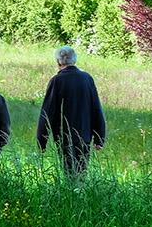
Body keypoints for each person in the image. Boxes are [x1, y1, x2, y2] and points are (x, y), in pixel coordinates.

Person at [36, 45, 106, 175]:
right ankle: (79, 194)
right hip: (85, 135)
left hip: (64, 136)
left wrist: (42, 140)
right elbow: (96, 108)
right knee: (81, 172)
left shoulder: (57, 81)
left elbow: (47, 112)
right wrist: (99, 137)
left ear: (58, 62)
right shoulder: (87, 79)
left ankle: (71, 193)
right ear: (74, 61)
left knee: (69, 173)